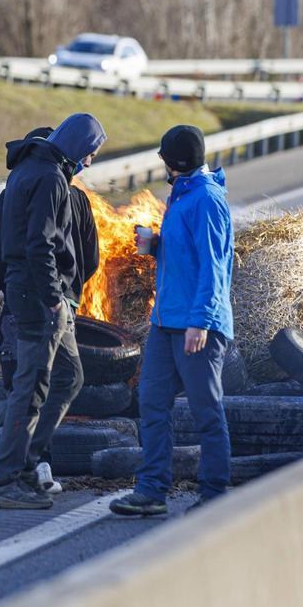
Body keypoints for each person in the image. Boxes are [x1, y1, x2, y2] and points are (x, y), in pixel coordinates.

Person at [110, 124, 234, 517]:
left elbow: (214, 268)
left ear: (173, 161)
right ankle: (151, 491)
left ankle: (215, 493)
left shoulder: (207, 201)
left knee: (205, 410)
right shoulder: (180, 196)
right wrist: (157, 246)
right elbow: (188, 256)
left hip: (198, 326)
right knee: (152, 403)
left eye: (164, 157)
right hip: (165, 324)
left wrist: (200, 322)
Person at [0, 113, 107, 509]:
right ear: (76, 145)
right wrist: (55, 296)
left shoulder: (28, 169)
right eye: (90, 153)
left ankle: (28, 462)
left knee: (70, 376)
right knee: (31, 386)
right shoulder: (50, 178)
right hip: (39, 296)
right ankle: (6, 480)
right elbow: (39, 244)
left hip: (37, 292)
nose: (89, 162)